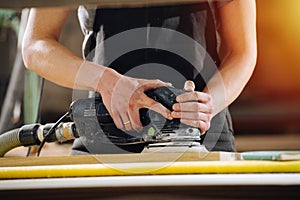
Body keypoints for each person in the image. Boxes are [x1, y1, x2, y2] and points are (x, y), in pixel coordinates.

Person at [22, 0, 257, 154]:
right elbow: (35, 46)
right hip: (105, 131)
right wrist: (107, 82)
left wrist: (208, 105)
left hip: (202, 133)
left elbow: (242, 52)